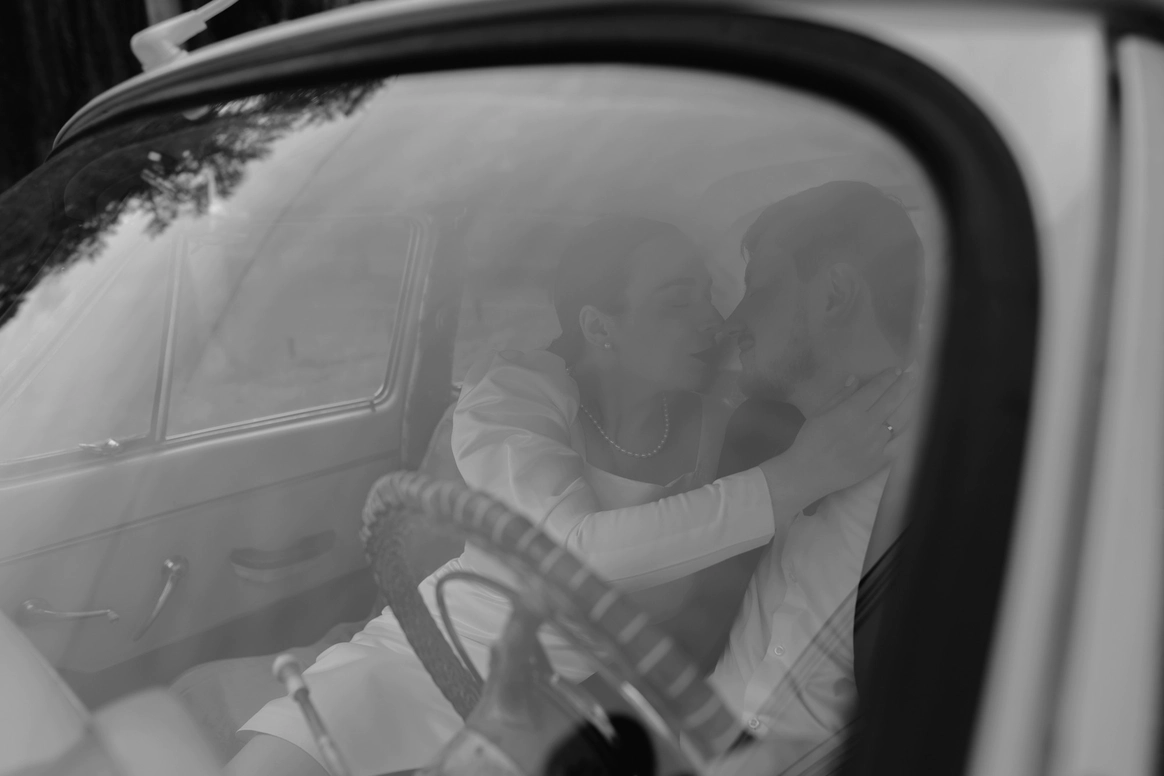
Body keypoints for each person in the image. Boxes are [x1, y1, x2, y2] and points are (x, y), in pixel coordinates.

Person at [228, 215, 912, 776]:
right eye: (678, 300)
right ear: (600, 327)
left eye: (710, 294)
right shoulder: (516, 393)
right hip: (437, 652)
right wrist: (796, 478)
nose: (713, 320)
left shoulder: (727, 418)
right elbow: (570, 553)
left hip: (570, 707)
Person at [707, 180, 924, 773]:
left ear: (835, 294)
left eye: (759, 288)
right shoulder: (758, 440)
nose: (732, 320)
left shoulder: (945, 486)